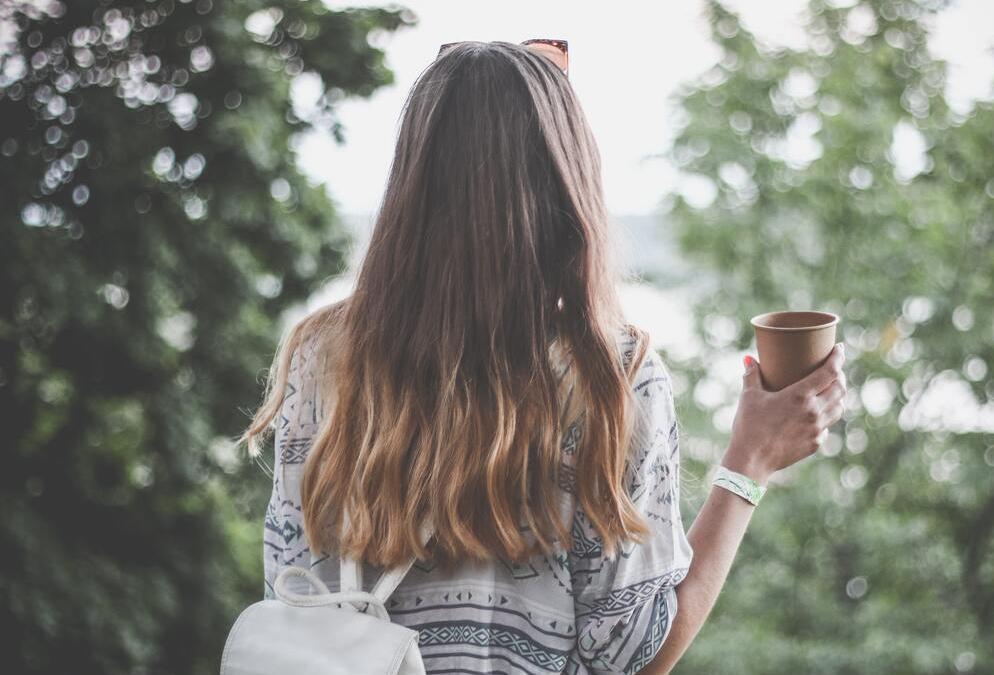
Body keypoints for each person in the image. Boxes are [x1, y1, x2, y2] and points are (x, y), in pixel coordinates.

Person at [238, 39, 847, 674]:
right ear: (565, 184)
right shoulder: (608, 377)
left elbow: (294, 603)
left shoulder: (323, 358)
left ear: (413, 180)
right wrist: (749, 463)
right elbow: (633, 659)